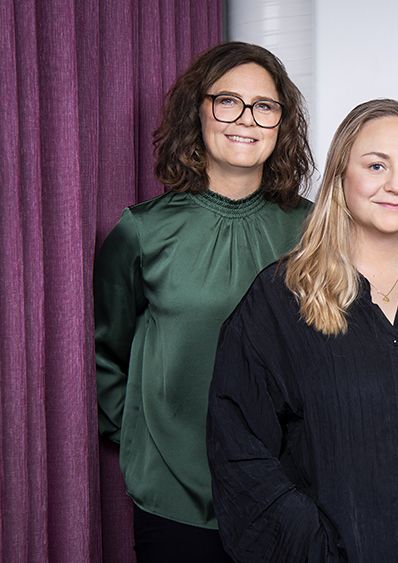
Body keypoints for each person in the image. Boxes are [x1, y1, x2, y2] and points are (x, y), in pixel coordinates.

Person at [205, 99, 398, 562]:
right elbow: (238, 445)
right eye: (376, 165)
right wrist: (308, 543)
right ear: (340, 176)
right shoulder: (280, 298)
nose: (396, 184)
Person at [94, 42, 313, 562]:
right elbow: (108, 352)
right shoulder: (142, 231)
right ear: (198, 110)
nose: (247, 119)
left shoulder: (314, 230)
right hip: (174, 494)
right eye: (228, 101)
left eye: (265, 106)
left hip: (290, 489)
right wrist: (143, 438)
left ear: (282, 122)